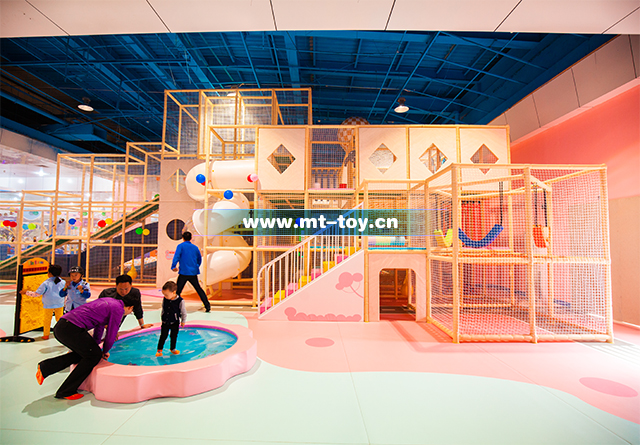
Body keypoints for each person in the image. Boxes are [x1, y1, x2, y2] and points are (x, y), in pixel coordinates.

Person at [35, 295, 136, 400]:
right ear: (130, 307)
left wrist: (97, 347)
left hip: (62, 326)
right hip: (71, 328)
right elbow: (111, 333)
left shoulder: (110, 302)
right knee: (93, 356)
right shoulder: (118, 309)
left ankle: (46, 367)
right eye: (131, 311)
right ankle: (66, 390)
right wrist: (105, 350)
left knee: (88, 354)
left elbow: (99, 328)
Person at [21, 264, 65, 340]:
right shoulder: (63, 282)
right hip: (60, 303)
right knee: (60, 319)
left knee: (47, 320)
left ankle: (46, 335)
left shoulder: (46, 283)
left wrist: (26, 292)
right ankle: (62, 333)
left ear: (49, 273)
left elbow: (37, 294)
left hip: (48, 304)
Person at [172, 231, 210, 312]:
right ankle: (207, 306)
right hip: (193, 273)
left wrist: (173, 266)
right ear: (191, 238)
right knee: (198, 289)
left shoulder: (180, 246)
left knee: (178, 291)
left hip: (183, 272)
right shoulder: (195, 248)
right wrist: (196, 266)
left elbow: (176, 256)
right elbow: (199, 259)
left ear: (183, 238)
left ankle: (175, 307)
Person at [156, 281, 187, 356]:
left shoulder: (180, 301)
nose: (165, 296)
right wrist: (162, 317)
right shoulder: (165, 299)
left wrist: (183, 321)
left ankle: (173, 349)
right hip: (165, 322)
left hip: (175, 322)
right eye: (164, 294)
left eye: (166, 295)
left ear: (174, 292)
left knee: (173, 336)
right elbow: (163, 308)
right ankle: (159, 350)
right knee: (163, 336)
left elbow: (183, 312)